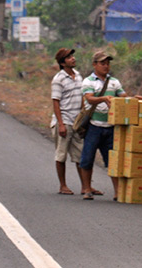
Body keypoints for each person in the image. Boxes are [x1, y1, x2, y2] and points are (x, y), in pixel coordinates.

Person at [79, 49, 142, 200]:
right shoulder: (88, 82)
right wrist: (104, 98)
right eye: (102, 63)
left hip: (110, 127)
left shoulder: (114, 82)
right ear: (94, 65)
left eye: (107, 63)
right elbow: (89, 99)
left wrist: (135, 99)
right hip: (94, 126)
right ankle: (87, 189)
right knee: (87, 158)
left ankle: (118, 192)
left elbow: (124, 97)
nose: (106, 66)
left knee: (113, 161)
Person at [50, 47, 86, 196]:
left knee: (80, 155)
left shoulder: (78, 76)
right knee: (61, 155)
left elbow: (82, 98)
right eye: (69, 57)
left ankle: (85, 186)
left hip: (76, 122)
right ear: (63, 62)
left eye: (73, 56)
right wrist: (61, 124)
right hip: (64, 120)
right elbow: (56, 102)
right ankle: (62, 185)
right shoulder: (59, 79)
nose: (73, 59)